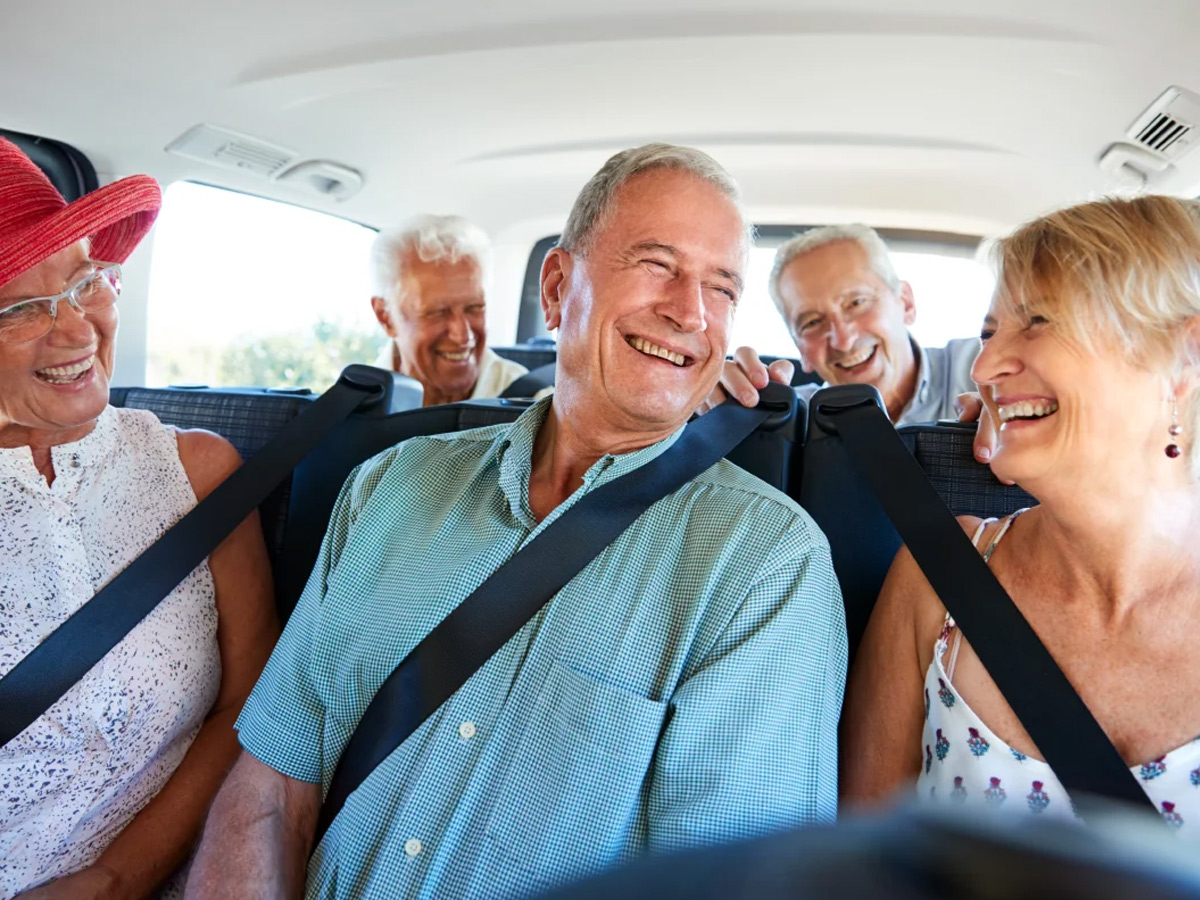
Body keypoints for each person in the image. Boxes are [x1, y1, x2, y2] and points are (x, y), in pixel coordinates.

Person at [186, 143, 847, 900]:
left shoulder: (765, 563)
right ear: (561, 286)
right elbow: (270, 791)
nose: (690, 311)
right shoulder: (389, 486)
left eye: (721, 287)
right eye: (658, 265)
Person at [840, 195, 1200, 833]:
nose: (984, 366)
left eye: (1038, 321)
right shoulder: (937, 576)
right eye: (987, 333)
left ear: (1182, 362)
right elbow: (859, 866)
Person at [0, 138, 279, 897]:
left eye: (87, 280)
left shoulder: (197, 473)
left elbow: (253, 703)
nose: (77, 330)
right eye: (23, 305)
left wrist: (121, 878)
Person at [706, 224, 978, 425]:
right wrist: (708, 416)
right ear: (801, 349)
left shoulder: (985, 371)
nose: (843, 340)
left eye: (856, 302)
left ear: (905, 303)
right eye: (812, 322)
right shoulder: (781, 422)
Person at [369, 215, 529, 405]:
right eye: (437, 312)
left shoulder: (532, 404)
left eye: (474, 308)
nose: (463, 336)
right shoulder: (353, 412)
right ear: (386, 317)